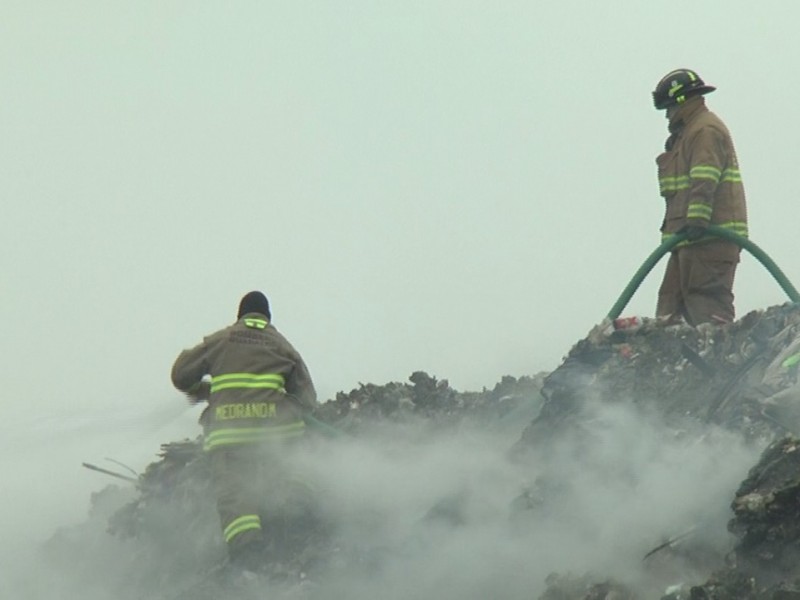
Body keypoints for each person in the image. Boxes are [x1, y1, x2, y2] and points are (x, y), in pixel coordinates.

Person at [171, 291, 318, 572]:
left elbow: (180, 374)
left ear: (240, 315)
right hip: (275, 437)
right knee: (291, 469)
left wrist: (203, 390)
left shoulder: (221, 340)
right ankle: (296, 514)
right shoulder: (283, 346)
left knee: (235, 496)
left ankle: (247, 554)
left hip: (231, 439)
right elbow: (308, 401)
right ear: (268, 317)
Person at [651, 68, 748, 326]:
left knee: (707, 307)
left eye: (669, 109)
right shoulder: (688, 134)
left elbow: (705, 177)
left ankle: (718, 365)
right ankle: (669, 364)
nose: (668, 116)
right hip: (689, 241)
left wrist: (697, 219)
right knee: (669, 313)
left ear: (682, 102)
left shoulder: (704, 130)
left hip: (710, 238)